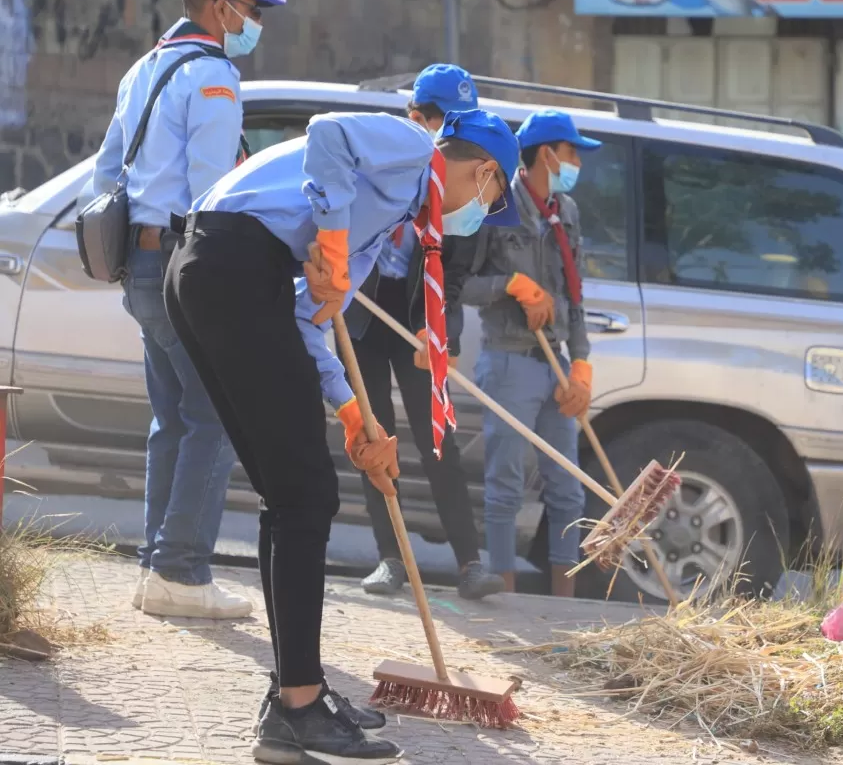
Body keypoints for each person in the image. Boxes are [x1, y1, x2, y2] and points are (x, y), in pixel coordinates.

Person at [164, 108, 521, 763]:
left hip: (232, 276)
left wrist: (355, 415)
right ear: (486, 171)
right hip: (226, 264)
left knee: (292, 494)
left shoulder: (382, 222)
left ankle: (300, 690)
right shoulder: (413, 148)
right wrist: (329, 242)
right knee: (306, 498)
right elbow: (327, 131)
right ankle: (294, 710)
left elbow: (308, 318)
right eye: (489, 201)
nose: (476, 215)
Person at [79, 0, 285, 619]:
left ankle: (155, 566)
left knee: (173, 419)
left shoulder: (144, 69)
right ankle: (182, 572)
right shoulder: (214, 75)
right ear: (221, 7)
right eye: (253, 10)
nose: (256, 24)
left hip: (141, 266)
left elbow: (107, 173)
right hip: (184, 264)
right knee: (214, 417)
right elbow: (210, 191)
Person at [340, 64, 504, 601]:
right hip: (365, 308)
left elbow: (452, 277)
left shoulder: (460, 184)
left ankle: (469, 563)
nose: (446, 135)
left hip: (418, 316)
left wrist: (439, 336)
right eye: (439, 121)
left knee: (440, 439)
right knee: (374, 433)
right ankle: (391, 557)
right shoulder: (385, 163)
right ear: (416, 117)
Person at [462, 110, 599, 598]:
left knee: (568, 490)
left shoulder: (568, 211)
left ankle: (566, 607)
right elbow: (463, 285)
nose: (577, 161)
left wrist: (581, 363)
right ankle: (505, 597)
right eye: (572, 151)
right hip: (508, 360)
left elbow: (576, 292)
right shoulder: (496, 205)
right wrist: (514, 285)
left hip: (554, 362)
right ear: (547, 154)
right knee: (506, 486)